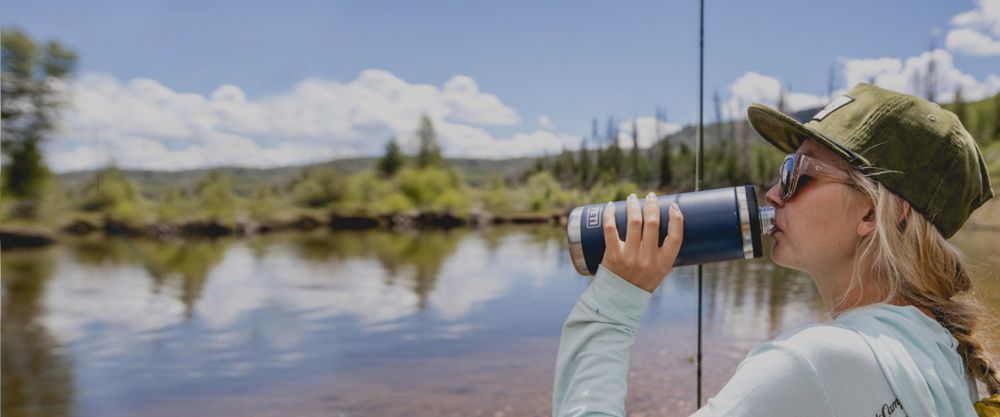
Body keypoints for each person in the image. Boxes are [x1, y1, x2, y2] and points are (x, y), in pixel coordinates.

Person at [552, 83, 1000, 417]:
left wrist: (610, 310)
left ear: (871, 213)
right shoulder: (944, 352)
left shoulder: (814, 363)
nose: (771, 193)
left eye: (796, 173)